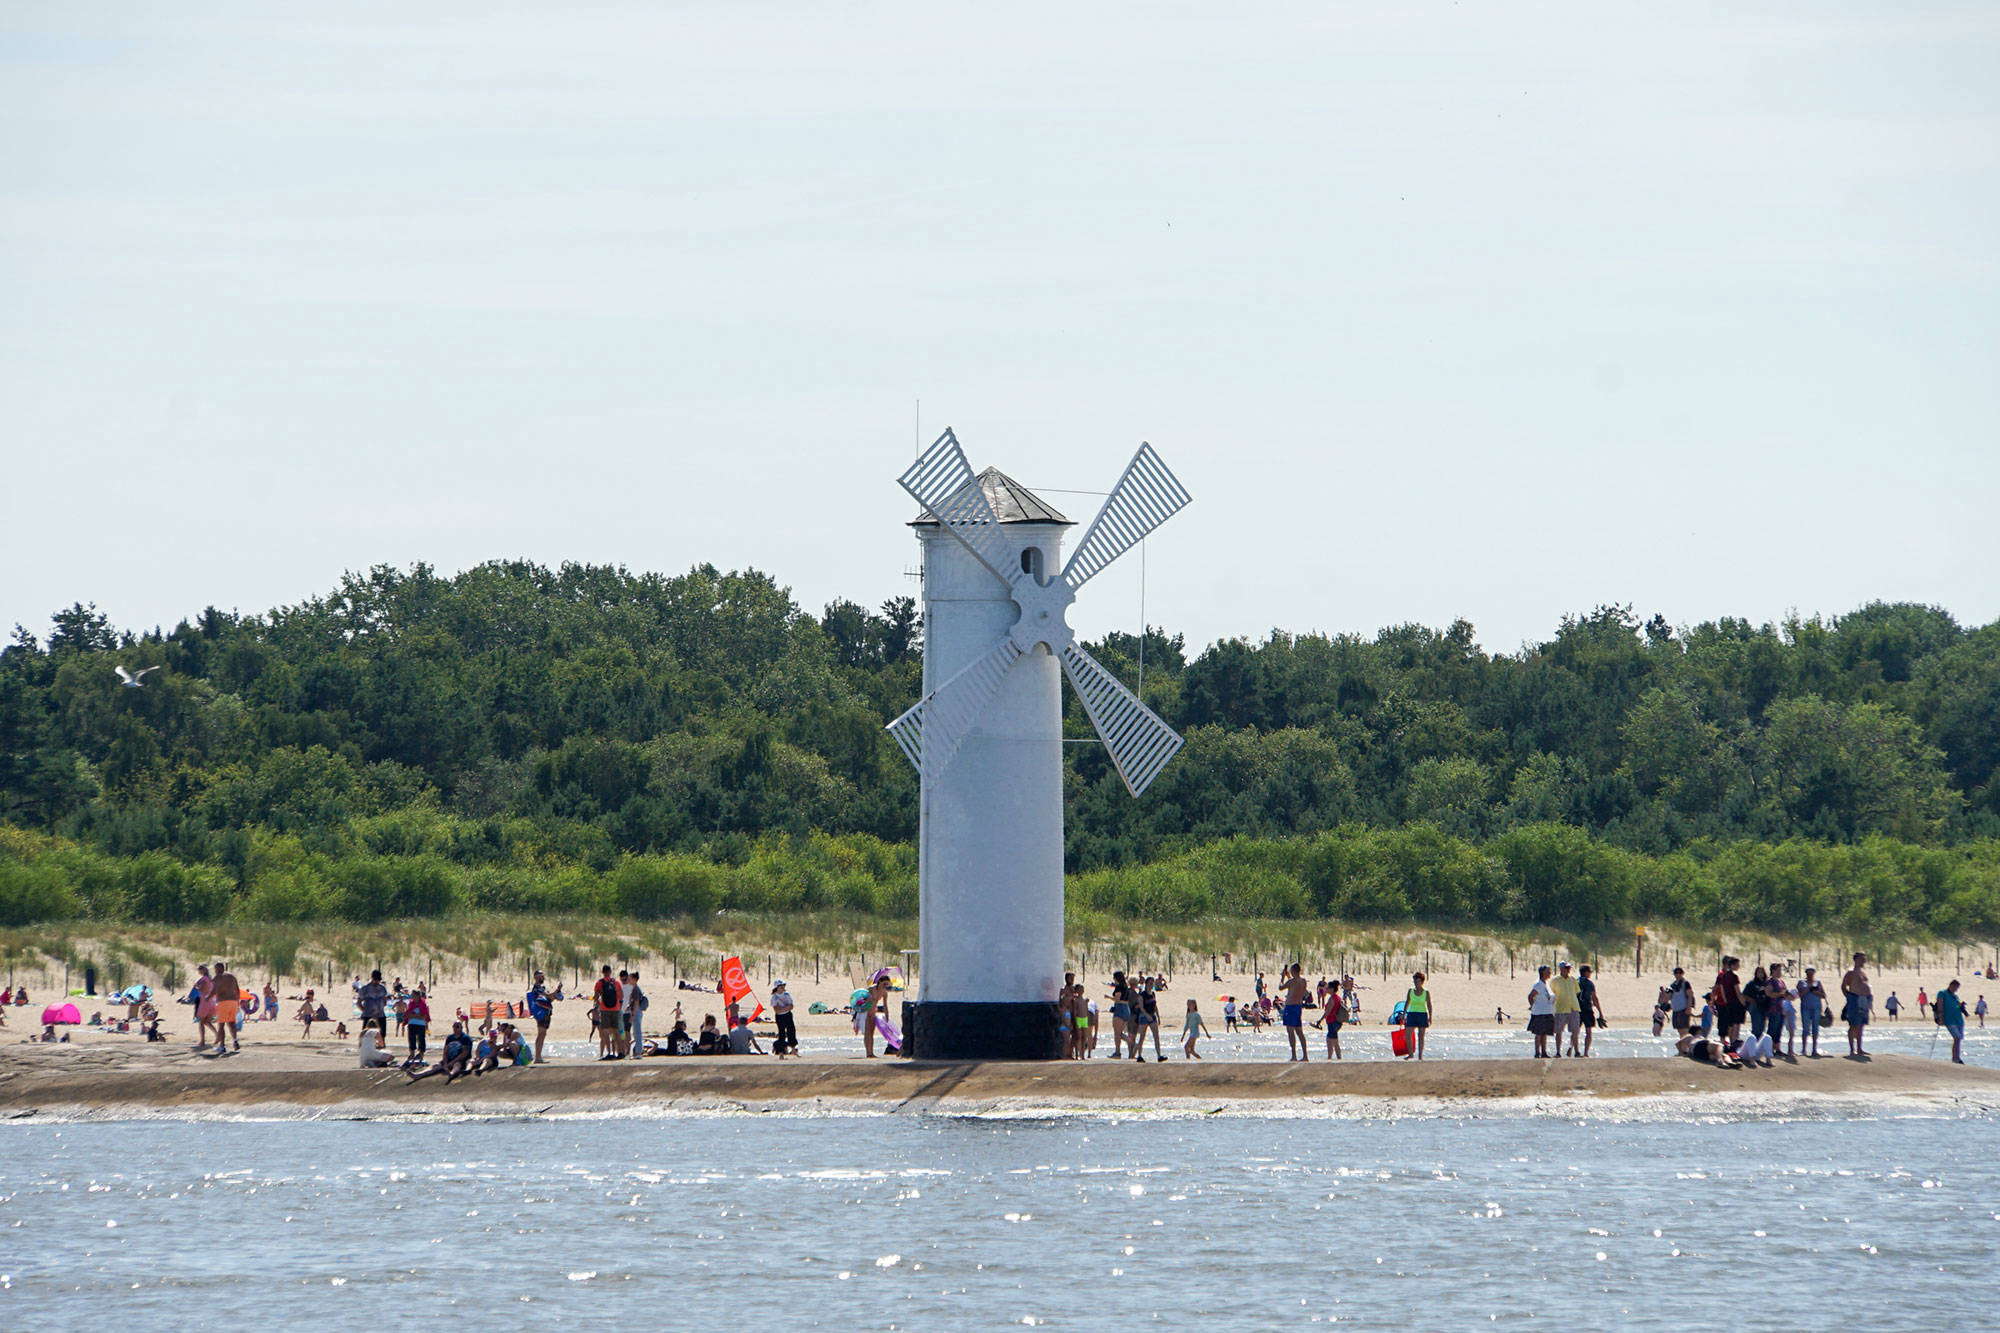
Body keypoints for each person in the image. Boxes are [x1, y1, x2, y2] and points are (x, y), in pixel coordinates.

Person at [408, 1021, 473, 1083]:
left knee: (457, 1065)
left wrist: (452, 1062)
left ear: (461, 1028)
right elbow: (445, 1051)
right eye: (454, 1026)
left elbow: (464, 1053)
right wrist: (445, 1062)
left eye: (457, 1027)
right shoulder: (450, 1038)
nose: (455, 1028)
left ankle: (452, 1073)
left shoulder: (465, 1038)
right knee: (435, 1066)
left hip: (460, 1060)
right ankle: (418, 1075)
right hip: (449, 1059)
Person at [1840, 951, 1872, 1057]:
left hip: (1864, 1000)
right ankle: (1852, 1049)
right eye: (1862, 959)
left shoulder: (1863, 972)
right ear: (1856, 959)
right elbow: (1843, 986)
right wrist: (1849, 998)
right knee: (1854, 1024)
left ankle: (1859, 1048)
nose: (1864, 961)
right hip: (1855, 999)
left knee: (1861, 1024)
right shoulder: (1851, 972)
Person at [1279, 964, 1311, 1062]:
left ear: (1293, 971)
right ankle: (1305, 1055)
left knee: (1290, 1031)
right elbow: (1294, 984)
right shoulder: (1303, 981)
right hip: (1298, 1007)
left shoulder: (1291, 981)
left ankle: (1294, 1055)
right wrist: (1288, 976)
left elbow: (1281, 987)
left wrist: (1282, 977)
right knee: (1299, 1032)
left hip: (1290, 1007)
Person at [209, 961, 243, 1054]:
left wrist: (208, 997)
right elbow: (237, 989)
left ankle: (222, 1046)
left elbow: (214, 990)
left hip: (223, 1002)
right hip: (233, 1002)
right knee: (231, 1023)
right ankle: (235, 1040)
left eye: (215, 968)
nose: (215, 970)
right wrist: (237, 1001)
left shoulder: (218, 977)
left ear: (219, 968)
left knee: (221, 1025)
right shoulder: (232, 976)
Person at [1934, 980, 1968, 1064]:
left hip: (1959, 1020)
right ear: (1951, 985)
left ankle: (1956, 1057)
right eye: (1955, 987)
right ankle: (1955, 1059)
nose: (1956, 990)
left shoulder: (1955, 996)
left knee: (1958, 1039)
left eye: (1957, 988)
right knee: (1956, 1037)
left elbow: (1957, 1005)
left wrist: (1961, 1006)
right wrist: (1940, 1017)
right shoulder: (1942, 993)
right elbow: (1940, 1004)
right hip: (1949, 1020)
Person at [1551, 961, 1580, 1057]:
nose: (1568, 970)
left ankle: (1576, 1051)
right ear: (1561, 969)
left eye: (1569, 968)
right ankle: (1558, 1052)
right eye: (1566, 968)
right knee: (1559, 1032)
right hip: (1561, 1009)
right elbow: (1552, 993)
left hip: (1573, 1008)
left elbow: (1576, 992)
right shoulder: (1555, 980)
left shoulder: (1573, 980)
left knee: (1575, 1031)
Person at [1765, 963, 1793, 1059]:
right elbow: (1769, 994)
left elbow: (1785, 993)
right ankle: (1769, 1049)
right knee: (1772, 1029)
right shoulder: (1770, 981)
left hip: (1782, 1008)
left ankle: (1778, 1049)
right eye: (1778, 970)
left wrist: (1789, 995)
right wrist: (1781, 994)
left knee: (1779, 1030)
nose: (1780, 972)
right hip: (1773, 1008)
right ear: (1773, 971)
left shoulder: (1781, 982)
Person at [1713, 956, 1744, 1042]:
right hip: (1733, 1002)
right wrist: (1743, 1003)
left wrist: (1726, 1000)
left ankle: (1730, 1042)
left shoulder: (1724, 976)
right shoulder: (1733, 977)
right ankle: (1733, 1041)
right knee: (1735, 1024)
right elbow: (1738, 992)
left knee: (1729, 1024)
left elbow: (1722, 989)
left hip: (1727, 1003)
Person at [1400, 972, 1431, 1060]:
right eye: (1414, 981)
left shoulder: (1426, 992)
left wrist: (1430, 1017)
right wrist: (1404, 1014)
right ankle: (1410, 1054)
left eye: (1417, 981)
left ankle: (1420, 1056)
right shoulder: (1410, 991)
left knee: (1421, 1036)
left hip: (1422, 1014)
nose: (1416, 983)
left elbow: (1429, 1005)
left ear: (1422, 982)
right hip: (1412, 1014)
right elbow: (1407, 1002)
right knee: (1408, 1034)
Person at [593, 966, 621, 1060]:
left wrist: (600, 1005)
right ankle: (619, 1052)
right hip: (616, 1008)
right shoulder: (616, 982)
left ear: (602, 972)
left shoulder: (599, 983)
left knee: (605, 1032)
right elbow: (621, 996)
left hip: (605, 1009)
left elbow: (596, 997)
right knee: (616, 1031)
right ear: (610, 972)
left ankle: (609, 1052)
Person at [1527, 965, 1555, 1058]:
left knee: (1545, 1033)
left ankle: (1544, 1052)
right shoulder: (1538, 984)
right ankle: (1537, 1052)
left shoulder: (1546, 984)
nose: (1549, 974)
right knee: (1538, 1033)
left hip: (1547, 1012)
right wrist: (1532, 1005)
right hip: (1539, 1012)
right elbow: (1531, 996)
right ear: (1543, 973)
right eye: (1548, 972)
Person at [1798, 967, 1827, 1058]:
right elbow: (1799, 995)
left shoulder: (1817, 983)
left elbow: (1823, 995)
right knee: (1806, 1028)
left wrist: (1815, 991)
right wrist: (1807, 989)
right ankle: (1804, 1049)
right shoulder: (1801, 983)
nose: (1810, 975)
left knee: (1815, 1028)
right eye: (1808, 973)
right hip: (1805, 1008)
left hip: (1816, 1008)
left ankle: (1814, 1049)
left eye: (1812, 973)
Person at [1676, 1031, 1744, 1069]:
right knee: (1719, 1046)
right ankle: (1720, 1062)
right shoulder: (1693, 1037)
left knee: (1722, 1055)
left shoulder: (1695, 1039)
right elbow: (1678, 1043)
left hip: (1697, 1053)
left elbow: (1678, 1044)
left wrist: (1681, 1052)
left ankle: (1730, 1063)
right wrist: (1681, 1052)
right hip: (1699, 1045)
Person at [526, 972, 554, 1063]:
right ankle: (537, 1057)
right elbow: (548, 996)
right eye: (540, 976)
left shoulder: (542, 988)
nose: (542, 977)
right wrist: (556, 991)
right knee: (541, 1033)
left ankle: (538, 1056)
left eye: (543, 976)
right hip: (541, 1013)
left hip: (546, 1013)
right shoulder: (537, 988)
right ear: (536, 977)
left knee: (543, 1034)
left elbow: (549, 999)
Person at [1577, 964, 1604, 1056]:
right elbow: (1594, 998)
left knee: (1575, 1031)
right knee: (1588, 1032)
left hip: (1577, 1009)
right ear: (1586, 972)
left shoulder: (1575, 982)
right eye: (1589, 972)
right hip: (1587, 1009)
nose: (1590, 974)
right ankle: (1586, 1052)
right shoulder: (1589, 984)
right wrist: (1600, 1012)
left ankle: (1572, 1049)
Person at [357, 970, 389, 1042]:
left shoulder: (382, 988)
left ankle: (381, 1045)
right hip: (368, 1014)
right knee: (366, 1033)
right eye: (375, 979)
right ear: (372, 978)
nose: (377, 981)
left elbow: (385, 1000)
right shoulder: (365, 989)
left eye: (378, 980)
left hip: (380, 1014)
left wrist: (381, 1007)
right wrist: (364, 1010)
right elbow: (359, 1002)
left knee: (382, 1032)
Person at [191, 963, 217, 1051]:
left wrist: (196, 987)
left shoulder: (204, 979)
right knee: (207, 1021)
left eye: (200, 969)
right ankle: (217, 1034)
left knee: (201, 1022)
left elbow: (202, 989)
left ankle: (202, 1040)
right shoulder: (210, 979)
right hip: (211, 1001)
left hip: (204, 1002)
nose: (199, 971)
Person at [770, 980, 798, 1057]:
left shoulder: (786, 995)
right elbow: (776, 1009)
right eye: (780, 985)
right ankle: (781, 1052)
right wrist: (786, 1008)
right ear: (777, 987)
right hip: (779, 1016)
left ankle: (793, 1049)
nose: (782, 987)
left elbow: (791, 1006)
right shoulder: (774, 997)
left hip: (788, 1015)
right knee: (781, 1033)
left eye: (783, 985)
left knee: (791, 1031)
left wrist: (783, 1008)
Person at [625, 969, 647, 1060]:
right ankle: (637, 1051)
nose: (628, 980)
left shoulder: (636, 990)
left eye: (630, 979)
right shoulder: (633, 989)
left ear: (634, 979)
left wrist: (633, 1014)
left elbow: (636, 1002)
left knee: (637, 1032)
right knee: (635, 1032)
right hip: (634, 1010)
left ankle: (638, 1052)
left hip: (636, 1011)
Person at [1667, 967, 1695, 1035]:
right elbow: (1670, 997)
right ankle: (1683, 1044)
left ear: (1682, 974)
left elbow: (1690, 995)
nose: (1677, 975)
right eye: (1676, 973)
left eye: (1679, 973)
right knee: (1679, 1030)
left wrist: (1689, 1008)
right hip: (1676, 1010)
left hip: (1684, 1010)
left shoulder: (1685, 983)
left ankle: (1686, 1044)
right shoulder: (1673, 985)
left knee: (1684, 1030)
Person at [405, 986, 430, 1062]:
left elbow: (424, 1016)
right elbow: (408, 1015)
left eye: (414, 995)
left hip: (421, 1025)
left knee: (421, 1040)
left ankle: (421, 1055)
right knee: (411, 1039)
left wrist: (414, 1016)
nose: (412, 997)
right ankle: (412, 1054)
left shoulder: (423, 1004)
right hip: (412, 1024)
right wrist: (417, 1016)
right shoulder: (411, 1004)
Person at [1322, 983, 1345, 1060]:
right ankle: (1336, 1058)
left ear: (1332, 989)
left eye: (1328, 988)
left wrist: (1320, 1020)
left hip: (1332, 1021)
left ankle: (1331, 1058)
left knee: (1331, 1041)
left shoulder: (1332, 998)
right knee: (1334, 1041)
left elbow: (1328, 1011)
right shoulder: (1338, 998)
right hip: (1337, 1022)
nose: (1326, 989)